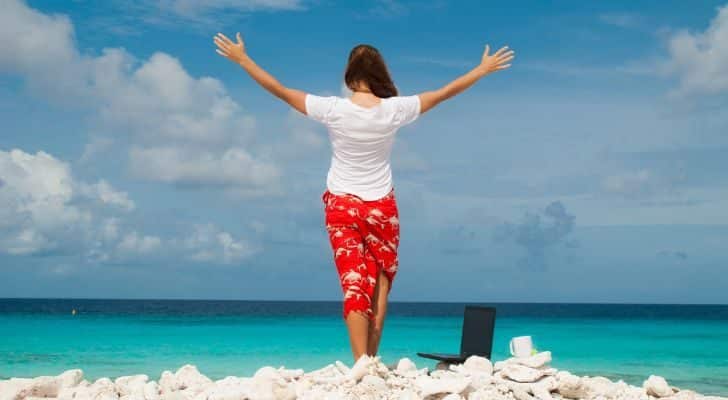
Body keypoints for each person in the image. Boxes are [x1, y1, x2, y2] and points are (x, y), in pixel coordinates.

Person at [213, 33, 514, 363]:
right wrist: (481, 69)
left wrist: (243, 60)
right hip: (382, 208)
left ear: (350, 75)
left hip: (342, 205)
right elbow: (443, 93)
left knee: (354, 283)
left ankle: (361, 364)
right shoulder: (394, 110)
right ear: (379, 74)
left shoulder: (333, 109)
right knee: (380, 285)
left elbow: (282, 92)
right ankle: (372, 358)